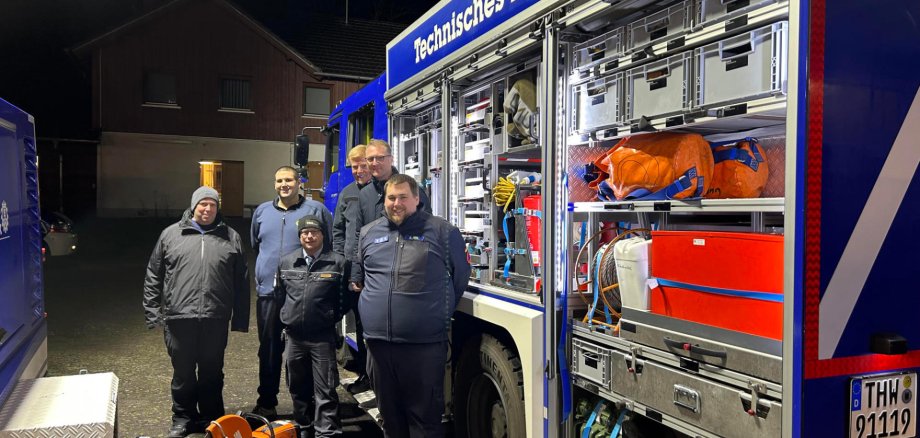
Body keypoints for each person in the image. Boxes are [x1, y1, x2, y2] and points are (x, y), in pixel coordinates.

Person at [353, 174, 470, 437]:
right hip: (379, 345)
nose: (397, 203)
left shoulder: (442, 232)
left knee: (424, 422)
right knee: (390, 419)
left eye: (403, 197)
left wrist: (433, 314)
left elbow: (460, 276)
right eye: (391, 198)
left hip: (423, 347)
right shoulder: (368, 233)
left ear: (416, 199)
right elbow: (363, 277)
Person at [143, 186, 250, 438]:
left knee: (212, 371)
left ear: (217, 208)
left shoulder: (230, 237)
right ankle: (183, 418)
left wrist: (240, 319)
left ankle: (212, 418)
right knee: (183, 373)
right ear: (193, 206)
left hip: (215, 317)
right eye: (203, 204)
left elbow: (241, 281)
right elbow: (153, 274)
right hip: (179, 318)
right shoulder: (171, 235)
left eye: (212, 205)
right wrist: (152, 312)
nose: (207, 209)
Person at [251, 166, 333, 419]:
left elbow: (328, 245)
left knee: (305, 350)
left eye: (289, 180)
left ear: (299, 183)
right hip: (268, 292)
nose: (284, 184)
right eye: (279, 181)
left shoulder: (315, 210)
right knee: (269, 348)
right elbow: (256, 244)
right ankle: (267, 401)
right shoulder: (262, 211)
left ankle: (307, 406)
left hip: (303, 293)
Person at [277, 215, 348, 438]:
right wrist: (289, 317)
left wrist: (328, 316)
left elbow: (344, 299)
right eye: (305, 233)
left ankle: (326, 433)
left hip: (322, 337)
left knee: (325, 388)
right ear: (300, 236)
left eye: (314, 232)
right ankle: (305, 428)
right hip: (294, 337)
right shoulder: (286, 262)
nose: (309, 236)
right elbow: (280, 296)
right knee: (297, 387)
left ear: (322, 236)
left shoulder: (337, 263)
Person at [330, 145, 373, 392]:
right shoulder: (347, 194)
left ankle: (372, 375)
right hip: (348, 270)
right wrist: (339, 259)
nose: (358, 170)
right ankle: (362, 372)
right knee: (355, 322)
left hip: (371, 272)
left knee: (369, 326)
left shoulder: (380, 194)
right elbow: (337, 230)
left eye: (362, 164)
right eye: (353, 166)